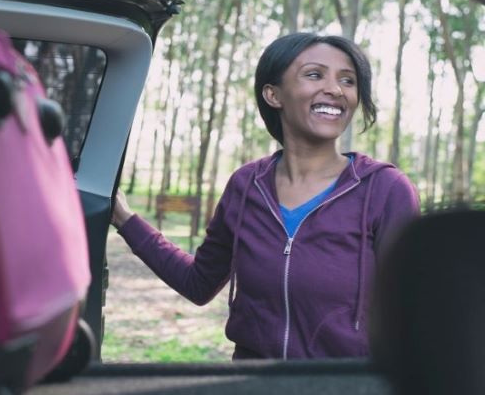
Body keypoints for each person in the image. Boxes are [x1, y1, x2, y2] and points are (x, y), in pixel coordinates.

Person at [111, 32, 420, 360]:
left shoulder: (384, 190)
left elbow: (416, 314)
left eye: (348, 80)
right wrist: (126, 221)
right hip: (254, 392)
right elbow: (199, 283)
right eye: (315, 75)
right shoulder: (246, 186)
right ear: (274, 95)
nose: (335, 89)